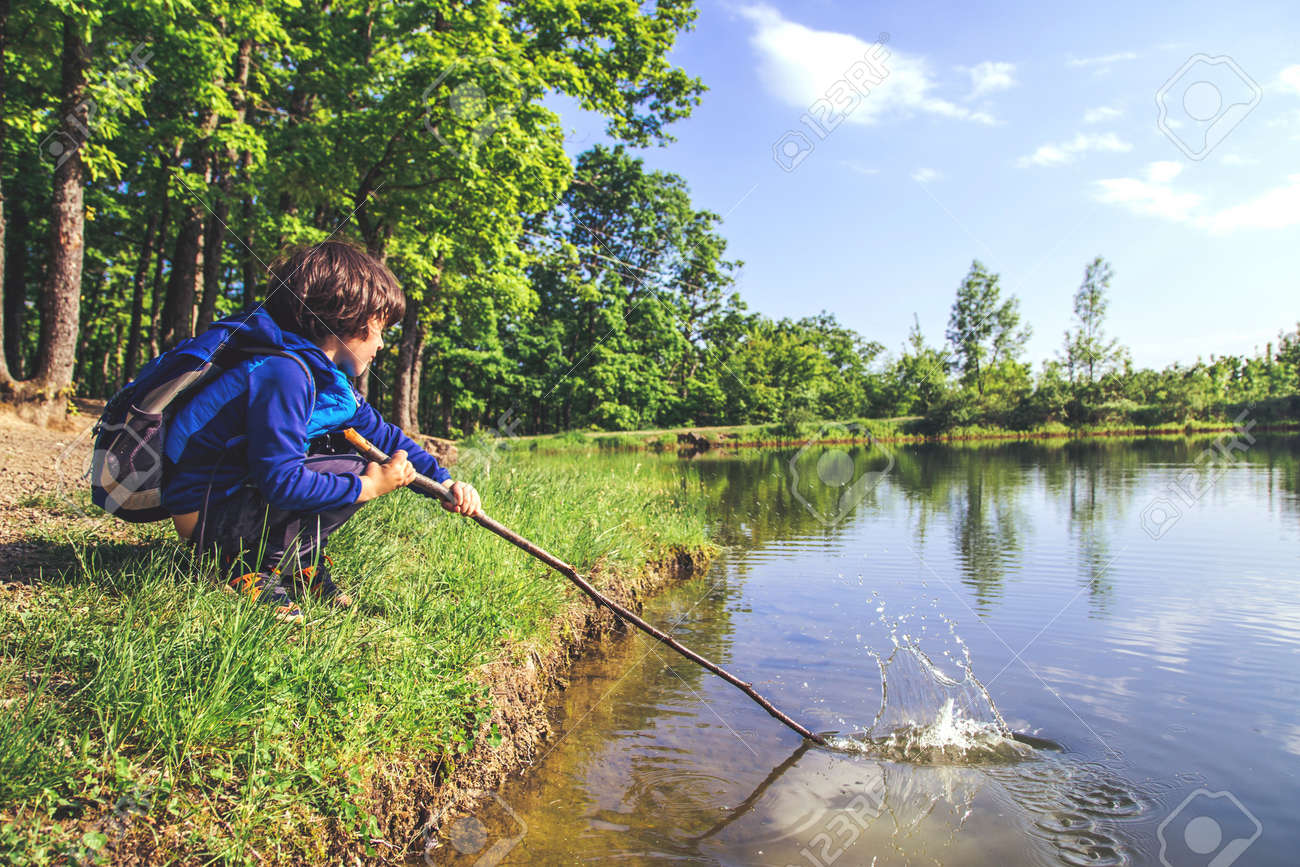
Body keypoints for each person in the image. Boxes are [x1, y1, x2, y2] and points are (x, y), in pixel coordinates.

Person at [162, 240, 482, 623]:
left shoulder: (323, 378)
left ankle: (298, 566)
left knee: (350, 458)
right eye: (378, 329)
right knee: (352, 470)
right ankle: (240, 563)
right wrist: (369, 486)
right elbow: (281, 482)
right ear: (347, 319)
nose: (381, 344)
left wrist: (447, 485)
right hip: (207, 515)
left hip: (229, 498)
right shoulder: (284, 374)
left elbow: (387, 439)